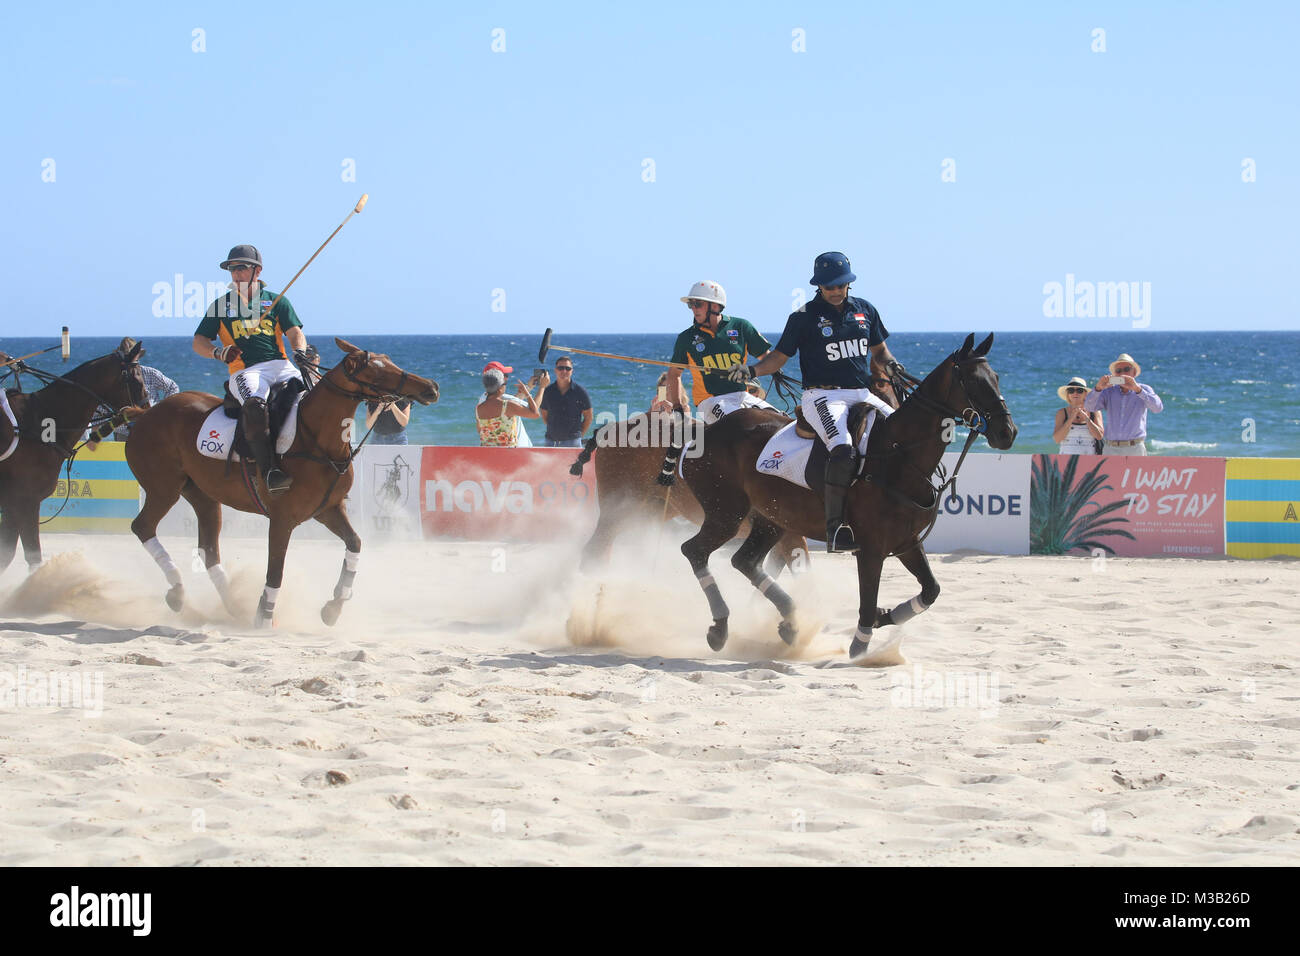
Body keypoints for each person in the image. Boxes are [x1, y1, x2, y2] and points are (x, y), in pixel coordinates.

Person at [729, 252, 903, 553]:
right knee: (843, 449)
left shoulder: (866, 311)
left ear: (849, 283)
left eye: (840, 285)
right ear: (818, 286)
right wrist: (752, 370)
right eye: (828, 286)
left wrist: (893, 366)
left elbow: (880, 352)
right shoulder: (803, 317)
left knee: (902, 434)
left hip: (861, 394)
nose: (835, 291)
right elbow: (779, 358)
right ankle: (835, 527)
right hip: (822, 396)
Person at [192, 244, 311, 493]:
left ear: (257, 271)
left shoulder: (278, 301)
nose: (235, 273)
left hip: (281, 365)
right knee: (256, 407)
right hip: (245, 372)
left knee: (316, 396)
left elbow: (295, 333)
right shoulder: (220, 306)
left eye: (241, 268)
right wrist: (217, 352)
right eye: (231, 269)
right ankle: (268, 472)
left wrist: (300, 352)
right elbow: (199, 342)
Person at [665, 281, 776, 423]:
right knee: (741, 422)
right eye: (690, 304)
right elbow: (674, 374)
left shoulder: (741, 326)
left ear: (715, 306)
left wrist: (757, 370)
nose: (693, 308)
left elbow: (768, 358)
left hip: (742, 396)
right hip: (709, 402)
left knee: (782, 421)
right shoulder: (686, 338)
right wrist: (677, 407)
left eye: (697, 304)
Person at [86, 337, 179, 450]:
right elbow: (101, 407)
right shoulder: (116, 379)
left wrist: (162, 411)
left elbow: (172, 387)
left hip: (152, 428)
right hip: (124, 433)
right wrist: (95, 435)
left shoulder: (149, 373)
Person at [1083, 353, 1163, 456]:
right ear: (1115, 374)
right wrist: (1098, 388)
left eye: (1126, 369)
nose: (1122, 373)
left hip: (1135, 447)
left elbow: (1157, 408)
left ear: (1134, 372)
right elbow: (1089, 407)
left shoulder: (1144, 389)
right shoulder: (1108, 391)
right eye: (1118, 371)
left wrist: (1138, 390)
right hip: (1111, 447)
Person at [476, 361, 543, 447]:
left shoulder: (480, 405)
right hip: (514, 453)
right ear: (499, 386)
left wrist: (529, 387)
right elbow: (535, 412)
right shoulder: (507, 405)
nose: (507, 379)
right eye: (505, 377)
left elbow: (479, 429)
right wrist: (542, 387)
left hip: (489, 453)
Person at [538, 357, 592, 447]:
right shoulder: (548, 391)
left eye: (568, 368)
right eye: (560, 368)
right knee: (548, 462)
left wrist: (578, 437)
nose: (564, 371)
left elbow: (588, 417)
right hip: (551, 441)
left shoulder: (580, 392)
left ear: (572, 371)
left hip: (573, 442)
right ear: (555, 370)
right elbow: (544, 414)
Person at [1052, 376, 1103, 455]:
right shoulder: (1062, 413)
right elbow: (1057, 439)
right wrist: (1071, 418)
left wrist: (1086, 418)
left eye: (1079, 390)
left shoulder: (1094, 412)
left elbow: (1099, 436)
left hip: (1089, 459)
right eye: (1071, 390)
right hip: (1066, 459)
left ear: (1085, 393)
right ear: (1068, 394)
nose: (1075, 393)